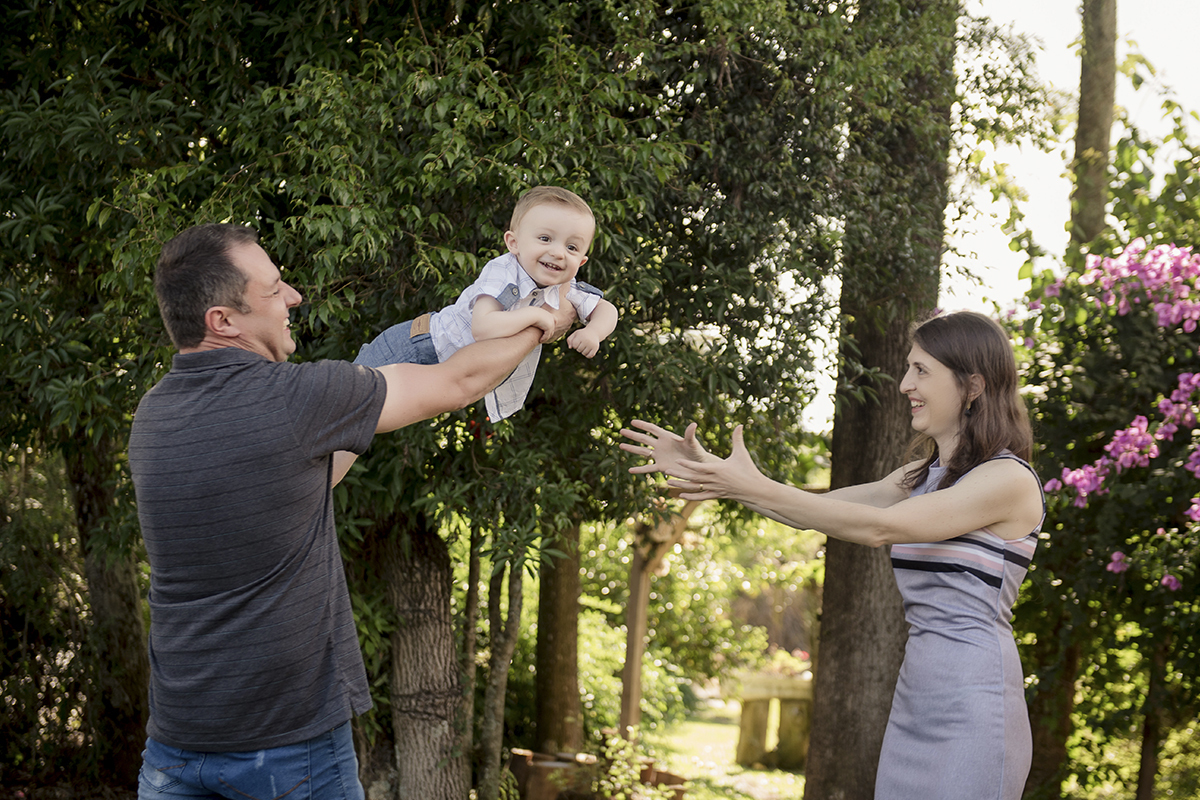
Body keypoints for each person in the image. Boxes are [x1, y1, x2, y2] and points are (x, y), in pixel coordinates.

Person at [128, 223, 576, 799]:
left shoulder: (153, 416)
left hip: (176, 746)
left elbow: (311, 475)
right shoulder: (298, 398)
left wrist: (385, 366)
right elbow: (461, 381)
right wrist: (543, 322)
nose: (294, 297)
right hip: (288, 746)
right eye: (274, 289)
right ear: (224, 320)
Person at [619, 310, 1045, 800]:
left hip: (976, 705)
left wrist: (743, 483)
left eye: (921, 370)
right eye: (908, 368)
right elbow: (813, 512)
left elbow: (880, 528)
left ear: (973, 386)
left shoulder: (1008, 479)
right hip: (916, 700)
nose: (905, 384)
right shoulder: (918, 478)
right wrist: (713, 473)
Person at [353, 186, 619, 421]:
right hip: (419, 345)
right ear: (513, 243)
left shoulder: (564, 286)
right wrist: (535, 316)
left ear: (581, 261)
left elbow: (606, 309)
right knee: (347, 401)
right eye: (545, 239)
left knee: (357, 425)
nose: (558, 252)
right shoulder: (503, 271)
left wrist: (593, 332)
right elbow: (483, 327)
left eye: (572, 247)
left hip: (444, 371)